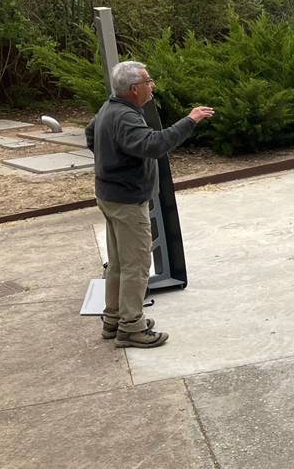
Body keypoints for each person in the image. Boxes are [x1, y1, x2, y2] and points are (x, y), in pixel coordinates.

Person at [85, 61, 213, 348]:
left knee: (119, 262)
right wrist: (189, 120)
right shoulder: (126, 117)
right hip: (127, 201)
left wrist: (111, 163)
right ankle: (131, 327)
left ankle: (114, 319)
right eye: (148, 81)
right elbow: (155, 145)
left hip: (110, 196)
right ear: (134, 89)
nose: (152, 85)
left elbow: (90, 134)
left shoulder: (110, 108)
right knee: (137, 264)